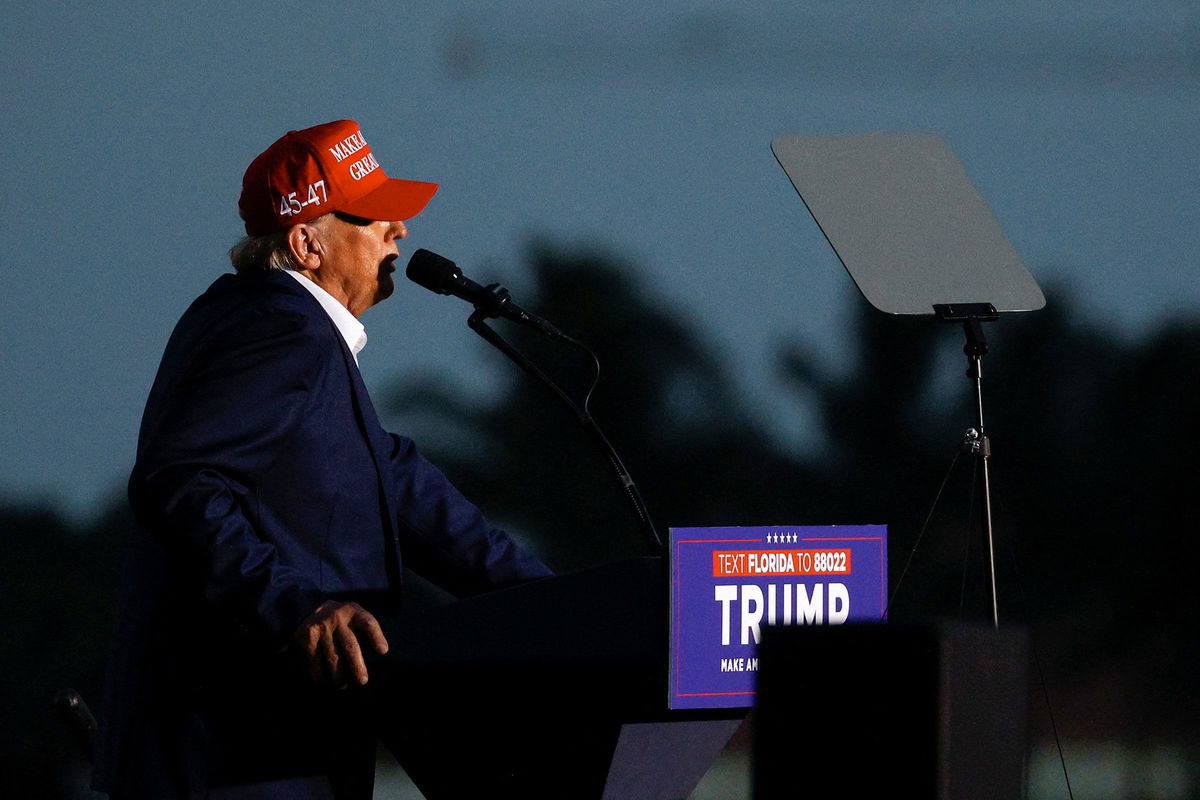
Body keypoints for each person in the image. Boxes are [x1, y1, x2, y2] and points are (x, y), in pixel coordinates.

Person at [93, 119, 553, 799]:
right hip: (240, 755)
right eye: (372, 216)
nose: (399, 229)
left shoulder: (280, 331)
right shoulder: (281, 331)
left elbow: (404, 491)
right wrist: (298, 609)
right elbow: (181, 480)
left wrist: (563, 603)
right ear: (307, 242)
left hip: (264, 751)